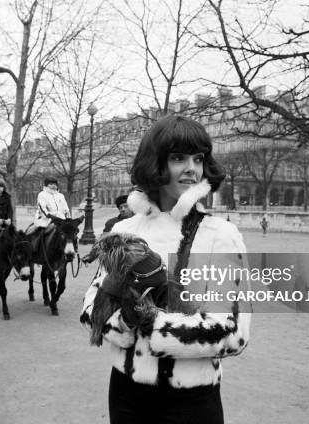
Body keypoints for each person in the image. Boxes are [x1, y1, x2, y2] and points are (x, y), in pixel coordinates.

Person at [80, 115, 251, 424]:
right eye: (178, 158)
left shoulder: (219, 234)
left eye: (198, 158)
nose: (191, 168)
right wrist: (125, 319)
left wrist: (153, 322)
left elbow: (234, 334)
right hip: (126, 393)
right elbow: (91, 310)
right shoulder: (124, 228)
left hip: (190, 401)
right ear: (155, 163)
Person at [29, 177, 71, 245]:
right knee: (41, 232)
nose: (54, 185)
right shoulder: (42, 194)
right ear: (46, 185)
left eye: (55, 184)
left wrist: (68, 217)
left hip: (61, 219)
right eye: (51, 184)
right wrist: (49, 215)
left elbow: (65, 207)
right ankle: (36, 246)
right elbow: (42, 208)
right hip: (46, 219)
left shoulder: (61, 195)